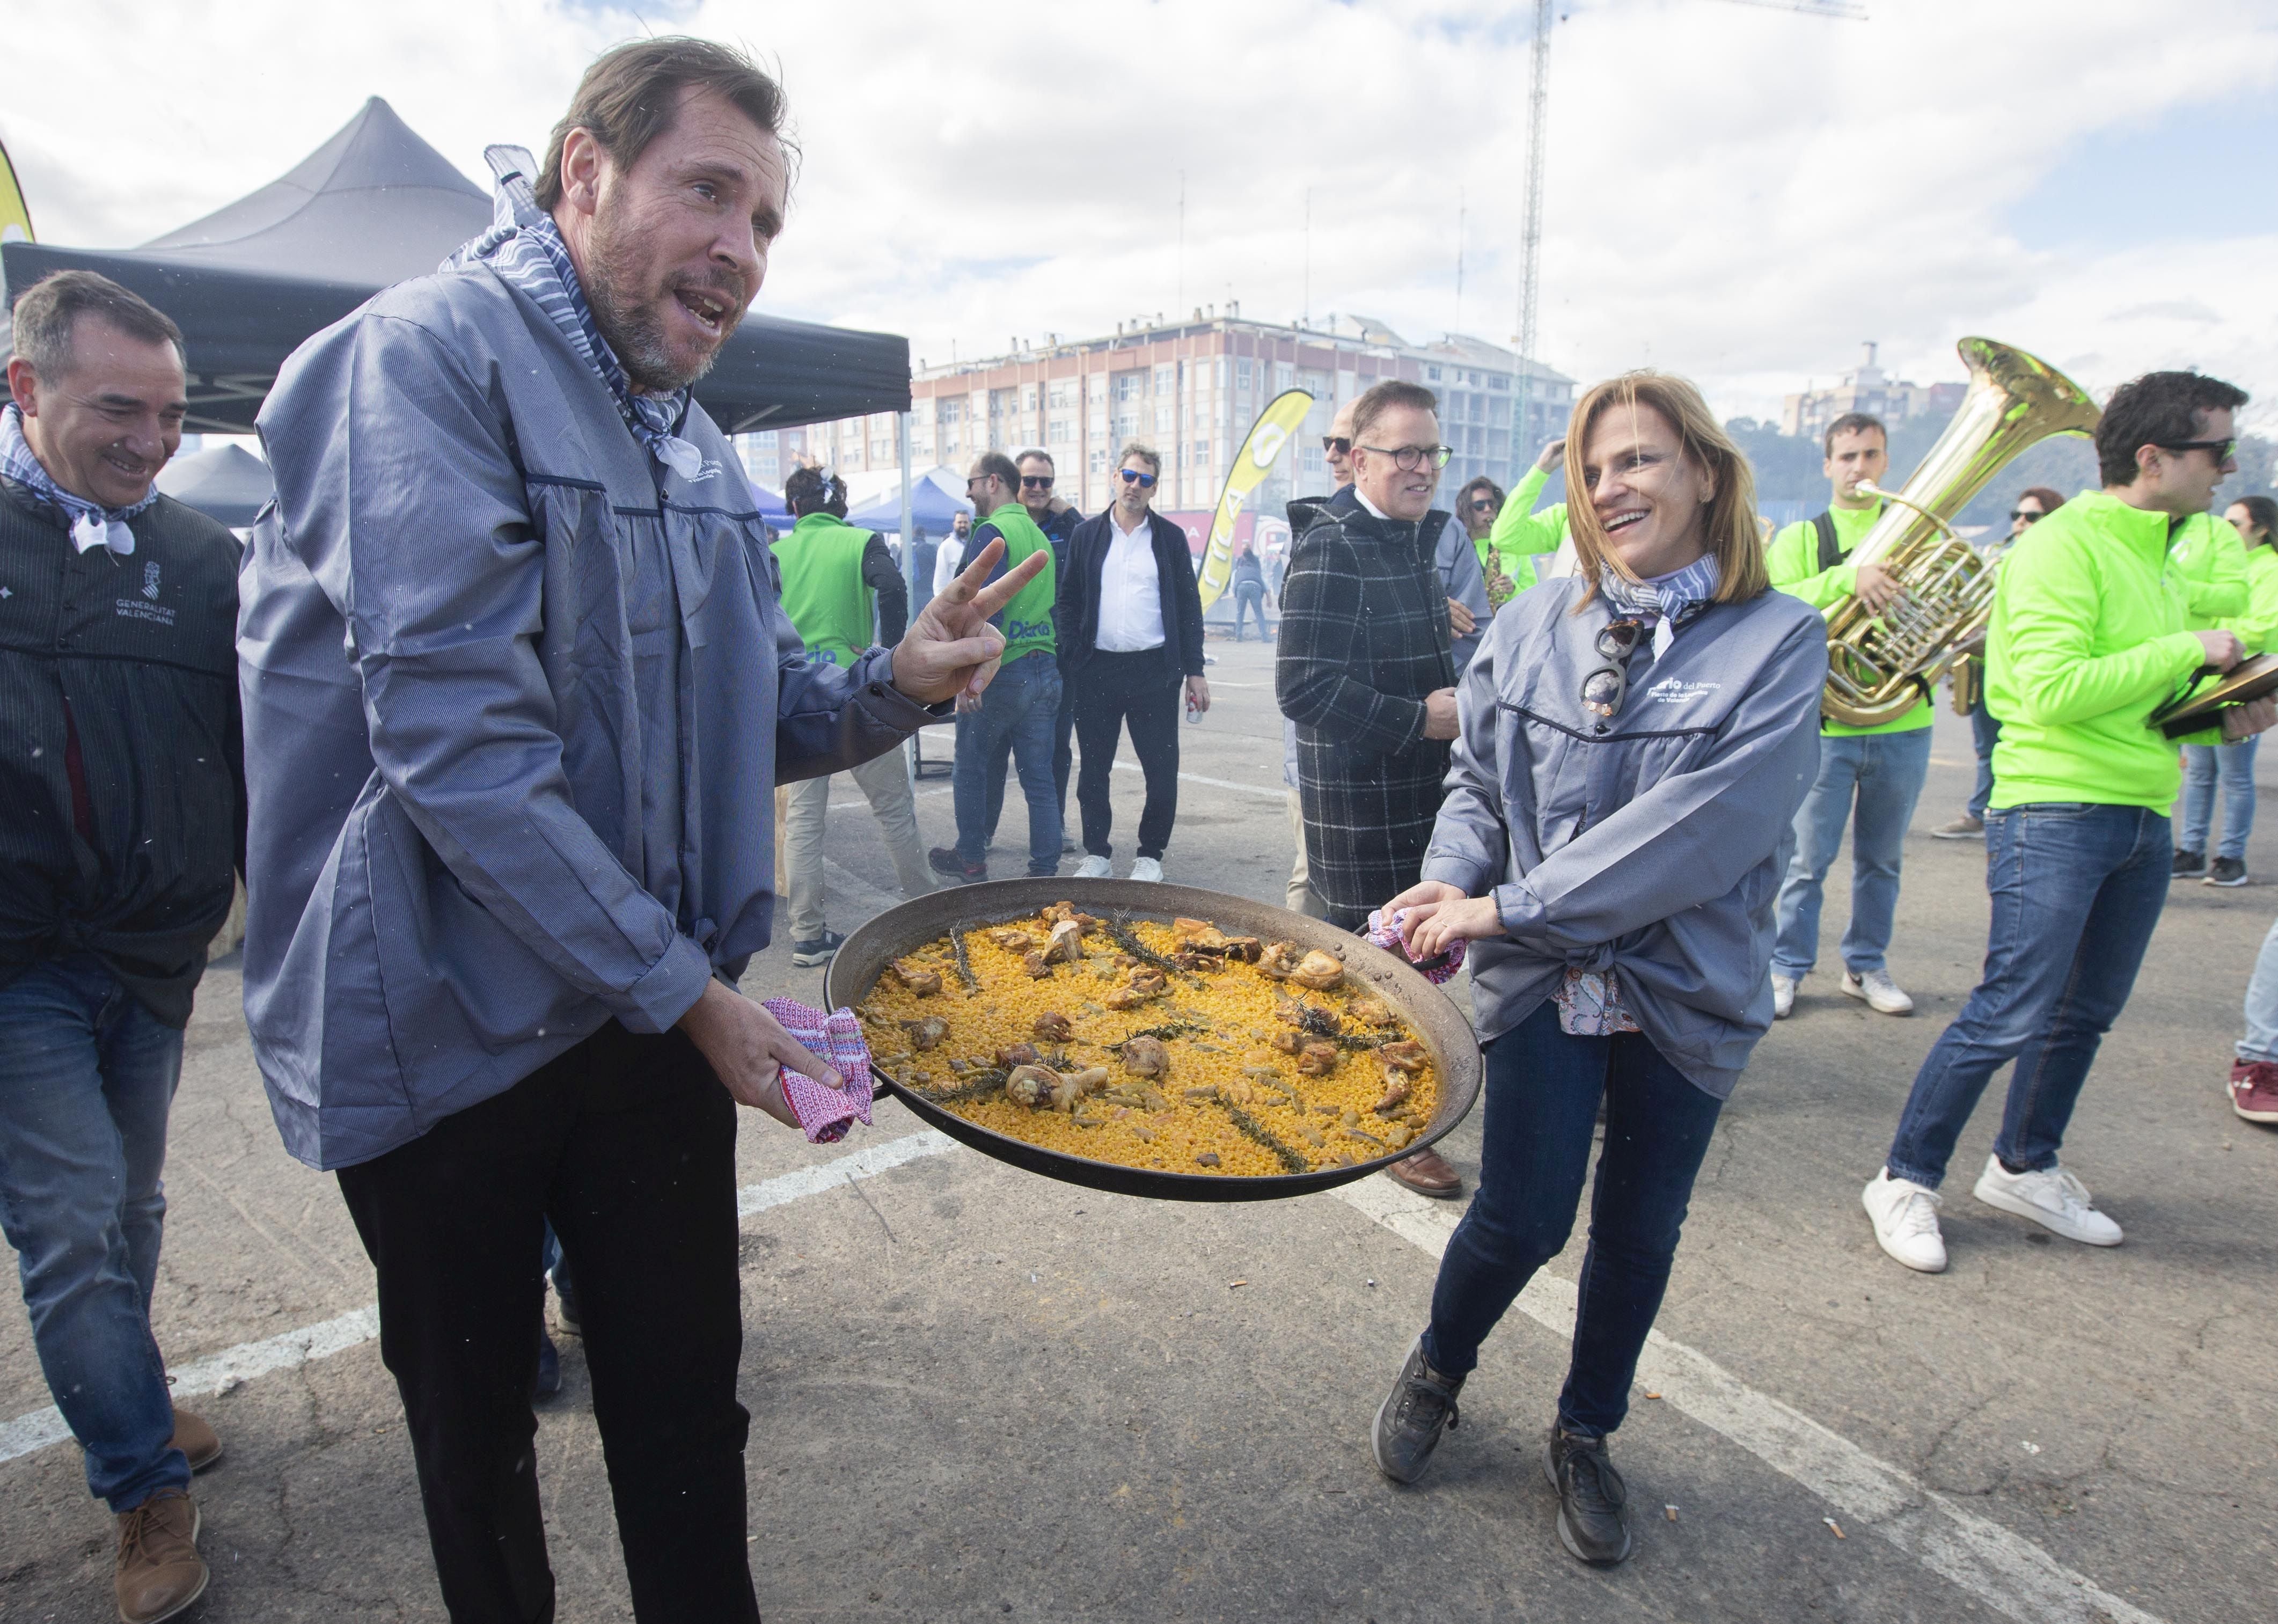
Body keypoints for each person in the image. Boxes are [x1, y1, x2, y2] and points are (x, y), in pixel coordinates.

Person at [239, 42, 1044, 1621]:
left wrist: (892, 681)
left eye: (764, 224)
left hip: (641, 1013)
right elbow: (460, 755)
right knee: (474, 1450)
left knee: (687, 1409)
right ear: (583, 175)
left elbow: (746, 707)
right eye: (709, 192)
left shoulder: (690, 431)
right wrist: (693, 992)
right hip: (443, 1026)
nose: (740, 251)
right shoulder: (421, 361)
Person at [1366, 371, 1824, 1569]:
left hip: (1684, 989)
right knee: (1517, 1215)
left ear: (1705, 474)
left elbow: (1697, 829)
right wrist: (1443, 878)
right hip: (1539, 980)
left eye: (1642, 458)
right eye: (1597, 465)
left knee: (1635, 1232)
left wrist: (1499, 907)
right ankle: (1438, 1366)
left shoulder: (1778, 639)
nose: (1615, 483)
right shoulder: (1528, 625)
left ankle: (1585, 1430)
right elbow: (1476, 783)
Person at [1862, 370, 2272, 1275]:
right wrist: (2188, 649)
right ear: (2156, 457)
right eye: (2217, 450)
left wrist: (2223, 708)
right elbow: (2048, 690)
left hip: (2139, 811)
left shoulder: (2158, 551)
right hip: (2053, 810)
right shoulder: (2065, 544)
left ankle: (2025, 1164)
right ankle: (1904, 1177)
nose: (2230, 469)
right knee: (2010, 1010)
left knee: (2085, 1015)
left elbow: (2136, 695)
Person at [0, 270, 239, 1624]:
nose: (150, 439)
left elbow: (265, 754)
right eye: (116, 409)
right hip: (14, 964)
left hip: (153, 959)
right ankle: (143, 1486)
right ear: (25, 389)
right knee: (75, 1229)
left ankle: (129, 1394)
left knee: (132, 1210)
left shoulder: (202, 561)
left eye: (167, 412)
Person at [1763, 412, 1927, 1020]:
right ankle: (1786, 966)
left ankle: (1866, 963)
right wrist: (1848, 579)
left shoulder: (1916, 537)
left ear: (1885, 461)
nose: (1860, 468)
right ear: (1829, 464)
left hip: (1903, 722)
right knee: (1806, 861)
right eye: (1849, 456)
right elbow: (1775, 605)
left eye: (1871, 455)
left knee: (1883, 859)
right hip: (1828, 722)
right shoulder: (1806, 537)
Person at [774, 466, 934, 966]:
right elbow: (891, 585)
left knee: (803, 820)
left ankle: (807, 934)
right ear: (838, 504)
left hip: (799, 696)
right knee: (893, 811)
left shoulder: (776, 550)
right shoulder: (861, 541)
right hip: (860, 690)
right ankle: (927, 914)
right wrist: (889, 646)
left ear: (794, 508)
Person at [1060, 443, 1209, 882]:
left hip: (1154, 672)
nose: (1134, 486)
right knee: (1094, 767)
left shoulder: (1169, 539)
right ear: (1114, 477)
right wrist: (1074, 656)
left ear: (1154, 488)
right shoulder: (1086, 535)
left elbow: (1188, 605)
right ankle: (1097, 853)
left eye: (1144, 480)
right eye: (1128, 476)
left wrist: (1194, 669)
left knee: (1160, 769)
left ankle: (1150, 855)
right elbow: (1067, 600)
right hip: (1096, 671)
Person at [928, 450, 1061, 884]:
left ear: (992, 482)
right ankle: (1044, 869)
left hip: (1006, 668)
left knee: (970, 765)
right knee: (1038, 777)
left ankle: (971, 858)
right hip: (1043, 665)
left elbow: (983, 609)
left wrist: (972, 678)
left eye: (971, 482)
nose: (967, 492)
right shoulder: (1039, 535)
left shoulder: (993, 531)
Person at [1931, 487, 2065, 840]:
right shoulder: (1998, 557)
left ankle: (1994, 814)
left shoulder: (2058, 565)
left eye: (2031, 517)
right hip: (1987, 663)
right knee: (1986, 747)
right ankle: (1982, 813)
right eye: (2016, 515)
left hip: (2024, 666)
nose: (2020, 522)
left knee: (2011, 746)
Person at [978, 449, 1082, 855]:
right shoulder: (1001, 527)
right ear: (1012, 484)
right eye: (1030, 481)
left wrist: (1069, 512)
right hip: (1008, 654)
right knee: (994, 748)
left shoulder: (1066, 528)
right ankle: (985, 830)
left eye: (1046, 482)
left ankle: (1053, 828)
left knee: (1055, 749)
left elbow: (1096, 542)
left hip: (1057, 655)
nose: (1038, 489)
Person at [2170, 496, 2256, 881]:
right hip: (2195, 673)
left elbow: (2250, 614)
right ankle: (2190, 850)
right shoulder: (2187, 535)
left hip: (2242, 677)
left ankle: (2230, 857)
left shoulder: (2267, 566)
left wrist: (2177, 589)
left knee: (2235, 777)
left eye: (2238, 523)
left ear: (2262, 529)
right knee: (2200, 773)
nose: (2230, 528)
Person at [1484, 435, 1571, 589]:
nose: (1487, 510)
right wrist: (1541, 471)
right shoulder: (1566, 518)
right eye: (1591, 476)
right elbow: (1505, 537)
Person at [1230, 538, 1269, 640]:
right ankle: (1264, 636)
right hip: (1255, 586)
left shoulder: (1240, 563)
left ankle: (1238, 635)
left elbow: (1235, 578)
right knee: (1259, 612)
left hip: (1241, 586)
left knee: (1240, 612)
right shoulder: (1256, 564)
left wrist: (1234, 592)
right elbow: (1263, 581)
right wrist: (1269, 598)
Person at [932, 507, 973, 595]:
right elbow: (940, 576)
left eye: (965, 522)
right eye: (960, 522)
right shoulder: (946, 546)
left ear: (969, 524)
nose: (963, 525)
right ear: (954, 524)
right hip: (953, 597)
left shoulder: (974, 543)